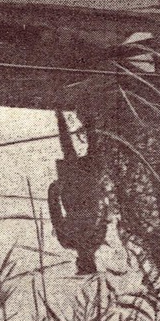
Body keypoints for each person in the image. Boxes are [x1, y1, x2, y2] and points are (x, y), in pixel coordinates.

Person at [47, 110, 112, 275]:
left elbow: (105, 213)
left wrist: (103, 192)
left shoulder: (96, 240)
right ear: (80, 262)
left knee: (85, 150)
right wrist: (53, 191)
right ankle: (65, 115)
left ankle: (82, 114)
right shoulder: (68, 241)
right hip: (75, 193)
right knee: (71, 150)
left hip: (86, 190)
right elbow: (55, 213)